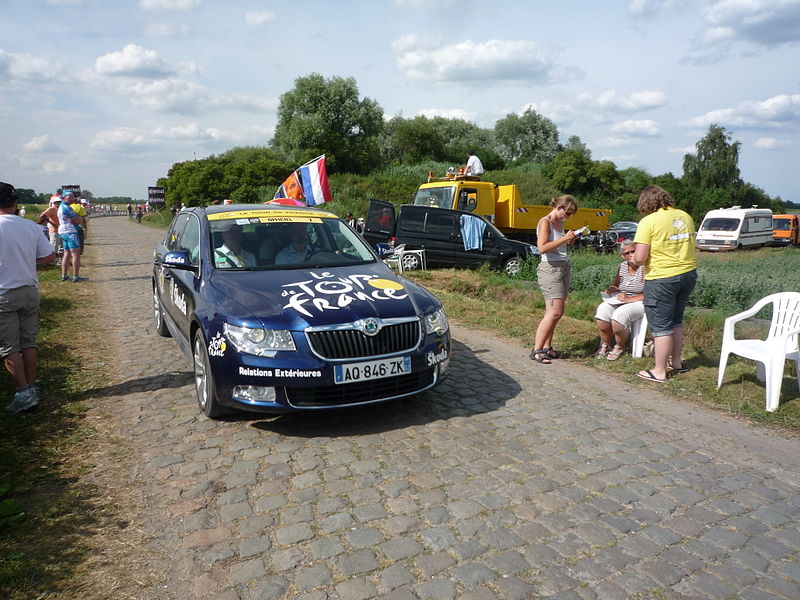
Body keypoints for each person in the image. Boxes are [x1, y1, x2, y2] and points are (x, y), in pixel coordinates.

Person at [0, 182, 56, 413]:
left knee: (8, 346)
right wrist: (25, 263)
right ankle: (31, 387)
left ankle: (24, 393)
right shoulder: (29, 227)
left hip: (3, 293)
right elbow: (49, 256)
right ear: (15, 203)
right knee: (28, 342)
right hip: (29, 290)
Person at [633, 185, 698, 382]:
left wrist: (634, 256)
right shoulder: (685, 216)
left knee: (661, 327)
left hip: (662, 278)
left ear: (646, 202)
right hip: (688, 274)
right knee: (676, 321)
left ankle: (659, 370)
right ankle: (676, 362)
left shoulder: (648, 222)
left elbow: (640, 258)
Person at [530, 195, 579, 364]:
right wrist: (564, 238)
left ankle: (547, 347)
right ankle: (537, 350)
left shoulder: (560, 223)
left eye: (570, 214)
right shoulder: (546, 222)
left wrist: (569, 240)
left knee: (556, 313)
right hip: (550, 269)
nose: (568, 216)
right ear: (558, 207)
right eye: (567, 212)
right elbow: (542, 247)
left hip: (563, 266)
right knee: (554, 312)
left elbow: (558, 245)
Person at [594, 241, 645, 360]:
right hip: (622, 299)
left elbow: (650, 293)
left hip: (640, 301)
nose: (631, 255)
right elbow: (617, 285)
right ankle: (605, 344)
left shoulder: (644, 267)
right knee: (602, 311)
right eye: (627, 253)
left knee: (619, 316)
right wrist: (611, 289)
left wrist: (629, 299)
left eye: (634, 251)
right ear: (623, 256)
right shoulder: (622, 266)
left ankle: (620, 346)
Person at [57, 193, 87, 282]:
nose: (72, 199)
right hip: (70, 231)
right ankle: (76, 276)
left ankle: (64, 275)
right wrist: (80, 218)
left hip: (63, 231)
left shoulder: (63, 206)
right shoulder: (66, 207)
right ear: (63, 198)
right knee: (76, 254)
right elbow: (77, 220)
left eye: (73, 198)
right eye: (69, 198)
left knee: (66, 253)